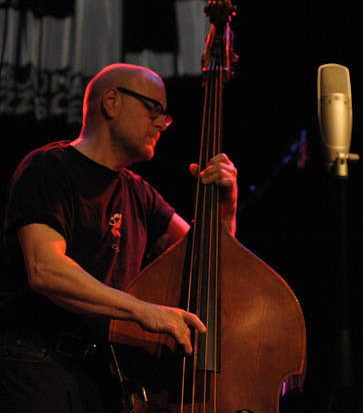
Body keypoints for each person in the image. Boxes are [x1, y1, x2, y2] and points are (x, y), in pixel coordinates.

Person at [0, 63, 238, 412]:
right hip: (35, 357)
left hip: (102, 371)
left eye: (165, 115)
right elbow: (45, 269)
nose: (162, 122)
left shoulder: (139, 193)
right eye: (153, 108)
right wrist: (142, 311)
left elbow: (208, 264)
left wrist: (226, 209)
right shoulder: (49, 168)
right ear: (111, 101)